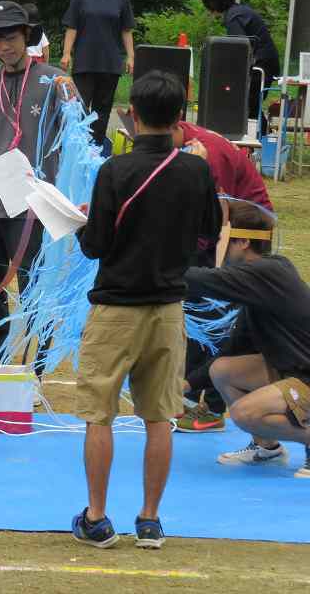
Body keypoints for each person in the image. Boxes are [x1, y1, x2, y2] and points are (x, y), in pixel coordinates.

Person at [71, 71, 221, 550]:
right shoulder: (196, 169)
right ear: (181, 117)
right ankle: (150, 519)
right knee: (160, 418)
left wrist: (82, 223)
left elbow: (95, 246)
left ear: (131, 115)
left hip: (116, 306)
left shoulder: (114, 171)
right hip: (169, 307)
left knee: (100, 414)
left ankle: (97, 517)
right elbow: (210, 230)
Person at [0, 2, 64, 359]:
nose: (4, 47)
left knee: (35, 287)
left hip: (35, 204)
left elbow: (77, 138)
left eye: (11, 38)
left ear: (27, 36)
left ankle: (35, 368)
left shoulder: (54, 81)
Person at [184, 201, 310, 478]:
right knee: (223, 370)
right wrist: (186, 384)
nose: (213, 247)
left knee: (244, 414)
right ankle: (267, 448)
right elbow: (235, 346)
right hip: (296, 372)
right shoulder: (262, 279)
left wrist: (146, 259)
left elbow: (197, 279)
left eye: (219, 238)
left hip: (305, 376)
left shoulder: (266, 273)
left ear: (242, 242)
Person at [170, 120, 274, 433]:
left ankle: (213, 407)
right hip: (221, 234)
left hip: (241, 235)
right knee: (197, 313)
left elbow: (220, 215)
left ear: (173, 128)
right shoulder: (185, 143)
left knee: (219, 321)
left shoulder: (208, 154)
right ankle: (192, 398)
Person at [60, 0, 135, 147]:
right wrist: (66, 53)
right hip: (84, 62)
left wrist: (131, 56)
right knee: (79, 109)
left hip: (110, 63)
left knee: (102, 111)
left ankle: (96, 148)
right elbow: (72, 27)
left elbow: (126, 30)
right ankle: (76, 148)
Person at [201, 0, 281, 132]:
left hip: (261, 63)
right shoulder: (238, 11)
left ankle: (259, 135)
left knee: (246, 103)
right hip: (266, 61)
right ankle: (263, 134)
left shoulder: (233, 18)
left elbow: (239, 48)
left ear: (213, 4)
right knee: (251, 103)